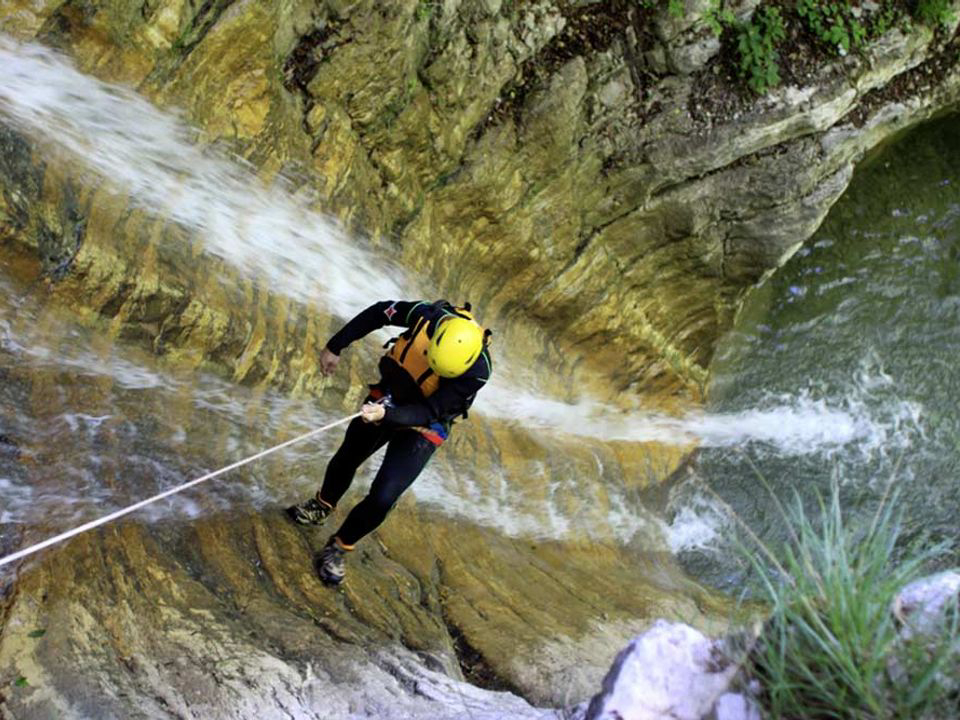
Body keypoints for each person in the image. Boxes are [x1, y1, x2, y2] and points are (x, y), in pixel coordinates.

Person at [287, 299, 492, 585]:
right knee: (349, 454)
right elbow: (379, 312)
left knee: (384, 496)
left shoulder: (477, 371)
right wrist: (336, 345)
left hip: (425, 421)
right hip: (392, 393)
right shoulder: (427, 316)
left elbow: (431, 410)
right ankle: (322, 505)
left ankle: (339, 547)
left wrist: (386, 414)